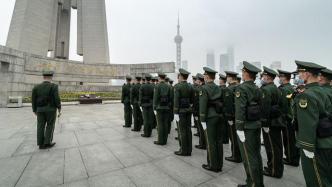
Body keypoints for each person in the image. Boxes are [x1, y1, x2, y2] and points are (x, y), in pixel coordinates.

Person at [294, 60, 332, 187]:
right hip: (327, 140)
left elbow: (307, 124)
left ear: (307, 74)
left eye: (300, 72)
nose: (299, 76)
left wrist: (307, 147)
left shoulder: (306, 95)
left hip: (315, 144)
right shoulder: (323, 91)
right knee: (326, 177)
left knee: (316, 180)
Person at [235, 61, 264, 187]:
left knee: (248, 157)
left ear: (246, 73)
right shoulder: (257, 88)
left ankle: (252, 184)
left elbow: (240, 109)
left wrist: (239, 127)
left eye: (243, 72)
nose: (242, 74)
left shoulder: (242, 88)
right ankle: (258, 183)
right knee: (256, 155)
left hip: (246, 127)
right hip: (256, 124)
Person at [260, 66, 284, 178]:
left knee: (272, 148)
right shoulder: (276, 88)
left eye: (264, 75)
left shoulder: (266, 89)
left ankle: (274, 170)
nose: (262, 77)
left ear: (267, 77)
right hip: (276, 121)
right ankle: (273, 167)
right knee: (277, 147)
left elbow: (265, 108)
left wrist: (264, 124)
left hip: (270, 123)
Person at [199, 67, 224, 172]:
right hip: (219, 115)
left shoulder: (204, 88)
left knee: (211, 142)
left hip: (209, 116)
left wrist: (202, 119)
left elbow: (203, 105)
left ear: (206, 77)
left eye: (204, 76)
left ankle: (213, 165)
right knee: (218, 141)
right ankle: (219, 165)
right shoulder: (218, 88)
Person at [31, 71, 61, 149]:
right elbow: (57, 98)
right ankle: (47, 142)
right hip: (51, 109)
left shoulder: (36, 87)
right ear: (51, 77)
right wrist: (59, 107)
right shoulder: (54, 86)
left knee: (40, 126)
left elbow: (33, 99)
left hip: (40, 110)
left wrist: (34, 110)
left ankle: (40, 144)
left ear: (43, 77)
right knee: (50, 125)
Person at [278, 69, 300, 167]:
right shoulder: (291, 87)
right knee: (292, 139)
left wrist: (284, 116)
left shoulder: (284, 89)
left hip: (287, 118)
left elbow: (284, 105)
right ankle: (293, 157)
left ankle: (291, 159)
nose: (279, 78)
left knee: (288, 139)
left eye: (280, 77)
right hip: (292, 117)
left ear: (284, 78)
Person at [174, 68, 195, 156]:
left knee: (182, 131)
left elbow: (176, 100)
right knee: (188, 130)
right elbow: (192, 100)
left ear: (181, 76)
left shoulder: (178, 86)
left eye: (178, 76)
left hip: (181, 111)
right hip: (188, 110)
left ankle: (183, 150)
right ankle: (189, 150)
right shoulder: (191, 86)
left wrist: (175, 112)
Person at [224, 71, 242, 163]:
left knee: (233, 137)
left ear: (230, 78)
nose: (226, 79)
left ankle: (235, 156)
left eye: (227, 77)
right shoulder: (239, 87)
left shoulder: (229, 89)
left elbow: (229, 105)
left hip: (232, 117)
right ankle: (240, 155)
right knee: (238, 137)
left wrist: (229, 118)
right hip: (239, 116)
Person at [153, 73, 172, 145]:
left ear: (159, 78)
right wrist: (168, 105)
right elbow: (171, 98)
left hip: (159, 107)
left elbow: (155, 98)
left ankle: (160, 141)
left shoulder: (157, 86)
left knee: (160, 124)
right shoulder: (168, 86)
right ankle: (165, 140)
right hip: (167, 107)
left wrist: (154, 107)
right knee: (165, 124)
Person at [194, 73, 206, 150]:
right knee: (203, 129)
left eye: (197, 79)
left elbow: (196, 102)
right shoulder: (204, 87)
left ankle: (202, 144)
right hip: (204, 112)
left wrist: (195, 112)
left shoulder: (198, 89)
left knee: (201, 129)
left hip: (199, 112)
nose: (196, 81)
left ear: (199, 80)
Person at [219, 74, 229, 144]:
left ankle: (224, 139)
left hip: (222, 109)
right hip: (225, 109)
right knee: (225, 125)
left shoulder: (221, 89)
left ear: (222, 81)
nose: (219, 80)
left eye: (220, 79)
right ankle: (226, 138)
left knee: (223, 125)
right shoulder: (225, 88)